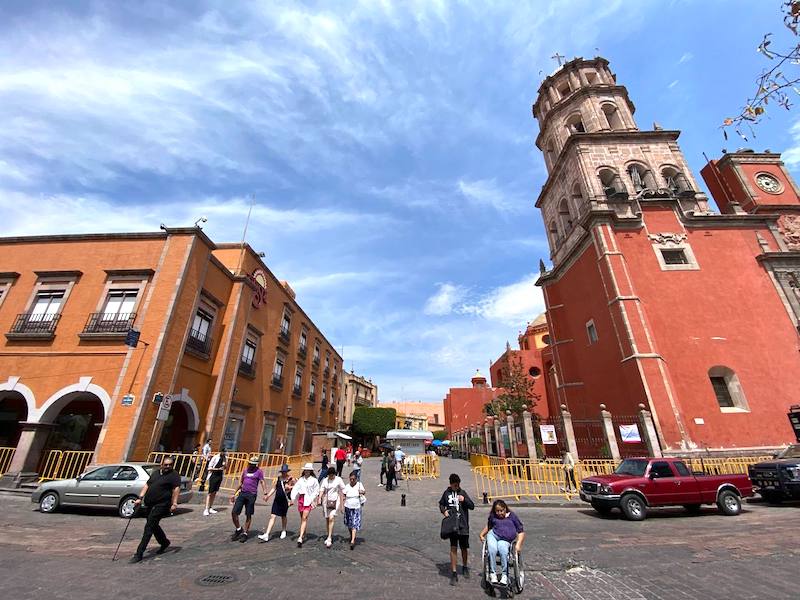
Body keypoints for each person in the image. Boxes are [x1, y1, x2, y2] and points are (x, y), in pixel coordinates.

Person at [129, 456, 181, 563]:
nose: (168, 466)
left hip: (162, 504)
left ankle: (139, 553)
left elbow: (176, 489)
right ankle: (164, 542)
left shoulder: (174, 475)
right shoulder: (156, 473)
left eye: (170, 465)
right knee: (153, 525)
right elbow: (147, 485)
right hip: (149, 504)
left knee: (149, 527)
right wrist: (140, 498)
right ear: (162, 465)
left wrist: (174, 503)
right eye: (166, 464)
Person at [438, 473, 475, 586]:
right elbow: (441, 504)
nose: (457, 487)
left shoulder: (462, 493)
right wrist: (444, 511)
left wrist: (464, 500)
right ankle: (454, 572)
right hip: (452, 525)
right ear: (451, 484)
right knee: (453, 547)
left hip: (463, 525)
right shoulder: (446, 493)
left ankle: (464, 567)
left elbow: (472, 506)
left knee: (464, 548)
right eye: (455, 485)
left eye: (458, 485)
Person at [478, 499, 525, 586]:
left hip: (506, 539)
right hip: (494, 535)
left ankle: (504, 575)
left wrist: (518, 544)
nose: (500, 513)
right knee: (492, 550)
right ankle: (493, 574)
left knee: (503, 551)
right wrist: (482, 534)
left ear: (505, 509)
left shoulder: (512, 516)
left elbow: (521, 531)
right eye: (497, 511)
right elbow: (489, 526)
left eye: (501, 511)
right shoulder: (493, 517)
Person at [229, 456, 268, 542]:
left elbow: (262, 481)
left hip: (251, 495)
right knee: (234, 512)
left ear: (256, 464)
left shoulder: (259, 472)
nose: (251, 465)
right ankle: (239, 529)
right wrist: (233, 494)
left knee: (248, 514)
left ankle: (245, 533)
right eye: (250, 464)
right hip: (242, 493)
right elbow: (240, 483)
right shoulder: (245, 471)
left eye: (253, 464)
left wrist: (265, 493)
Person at [259, 464, 295, 542]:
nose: (284, 473)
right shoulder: (278, 478)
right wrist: (268, 496)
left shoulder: (291, 479)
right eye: (283, 472)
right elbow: (274, 488)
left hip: (285, 500)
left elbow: (296, 488)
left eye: (285, 472)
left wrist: (290, 489)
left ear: (287, 471)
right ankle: (267, 534)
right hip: (277, 500)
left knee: (283, 516)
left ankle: (284, 530)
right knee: (273, 516)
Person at [290, 462, 320, 547]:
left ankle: (300, 537)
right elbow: (295, 489)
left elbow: (316, 490)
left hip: (308, 500)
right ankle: (304, 533)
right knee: (302, 518)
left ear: (310, 471)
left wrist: (313, 498)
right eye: (306, 470)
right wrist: (292, 498)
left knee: (304, 517)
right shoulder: (301, 479)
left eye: (308, 470)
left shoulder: (314, 480)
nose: (307, 471)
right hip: (301, 499)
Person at [318, 467, 346, 548]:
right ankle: (328, 534)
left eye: (332, 475)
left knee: (331, 518)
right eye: (329, 475)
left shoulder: (338, 480)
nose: (331, 477)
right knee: (327, 519)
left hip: (335, 501)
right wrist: (319, 498)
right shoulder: (325, 480)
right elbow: (321, 490)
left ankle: (329, 537)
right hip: (326, 501)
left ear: (334, 474)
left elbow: (343, 488)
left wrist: (344, 499)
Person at [342, 470, 366, 550]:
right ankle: (351, 536)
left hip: (356, 506)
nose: (352, 481)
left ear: (356, 479)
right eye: (350, 479)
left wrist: (361, 492)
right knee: (349, 523)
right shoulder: (347, 486)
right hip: (348, 506)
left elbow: (364, 491)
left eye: (353, 479)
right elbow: (344, 496)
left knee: (355, 523)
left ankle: (352, 541)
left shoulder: (359, 485)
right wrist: (342, 506)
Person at [203, 447, 226, 516]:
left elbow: (225, 467)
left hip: (220, 476)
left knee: (214, 492)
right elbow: (209, 468)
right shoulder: (215, 457)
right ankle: (206, 509)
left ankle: (210, 507)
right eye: (223, 452)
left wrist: (224, 466)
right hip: (213, 475)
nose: (224, 453)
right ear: (220, 452)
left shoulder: (225, 458)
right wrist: (217, 469)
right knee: (210, 492)